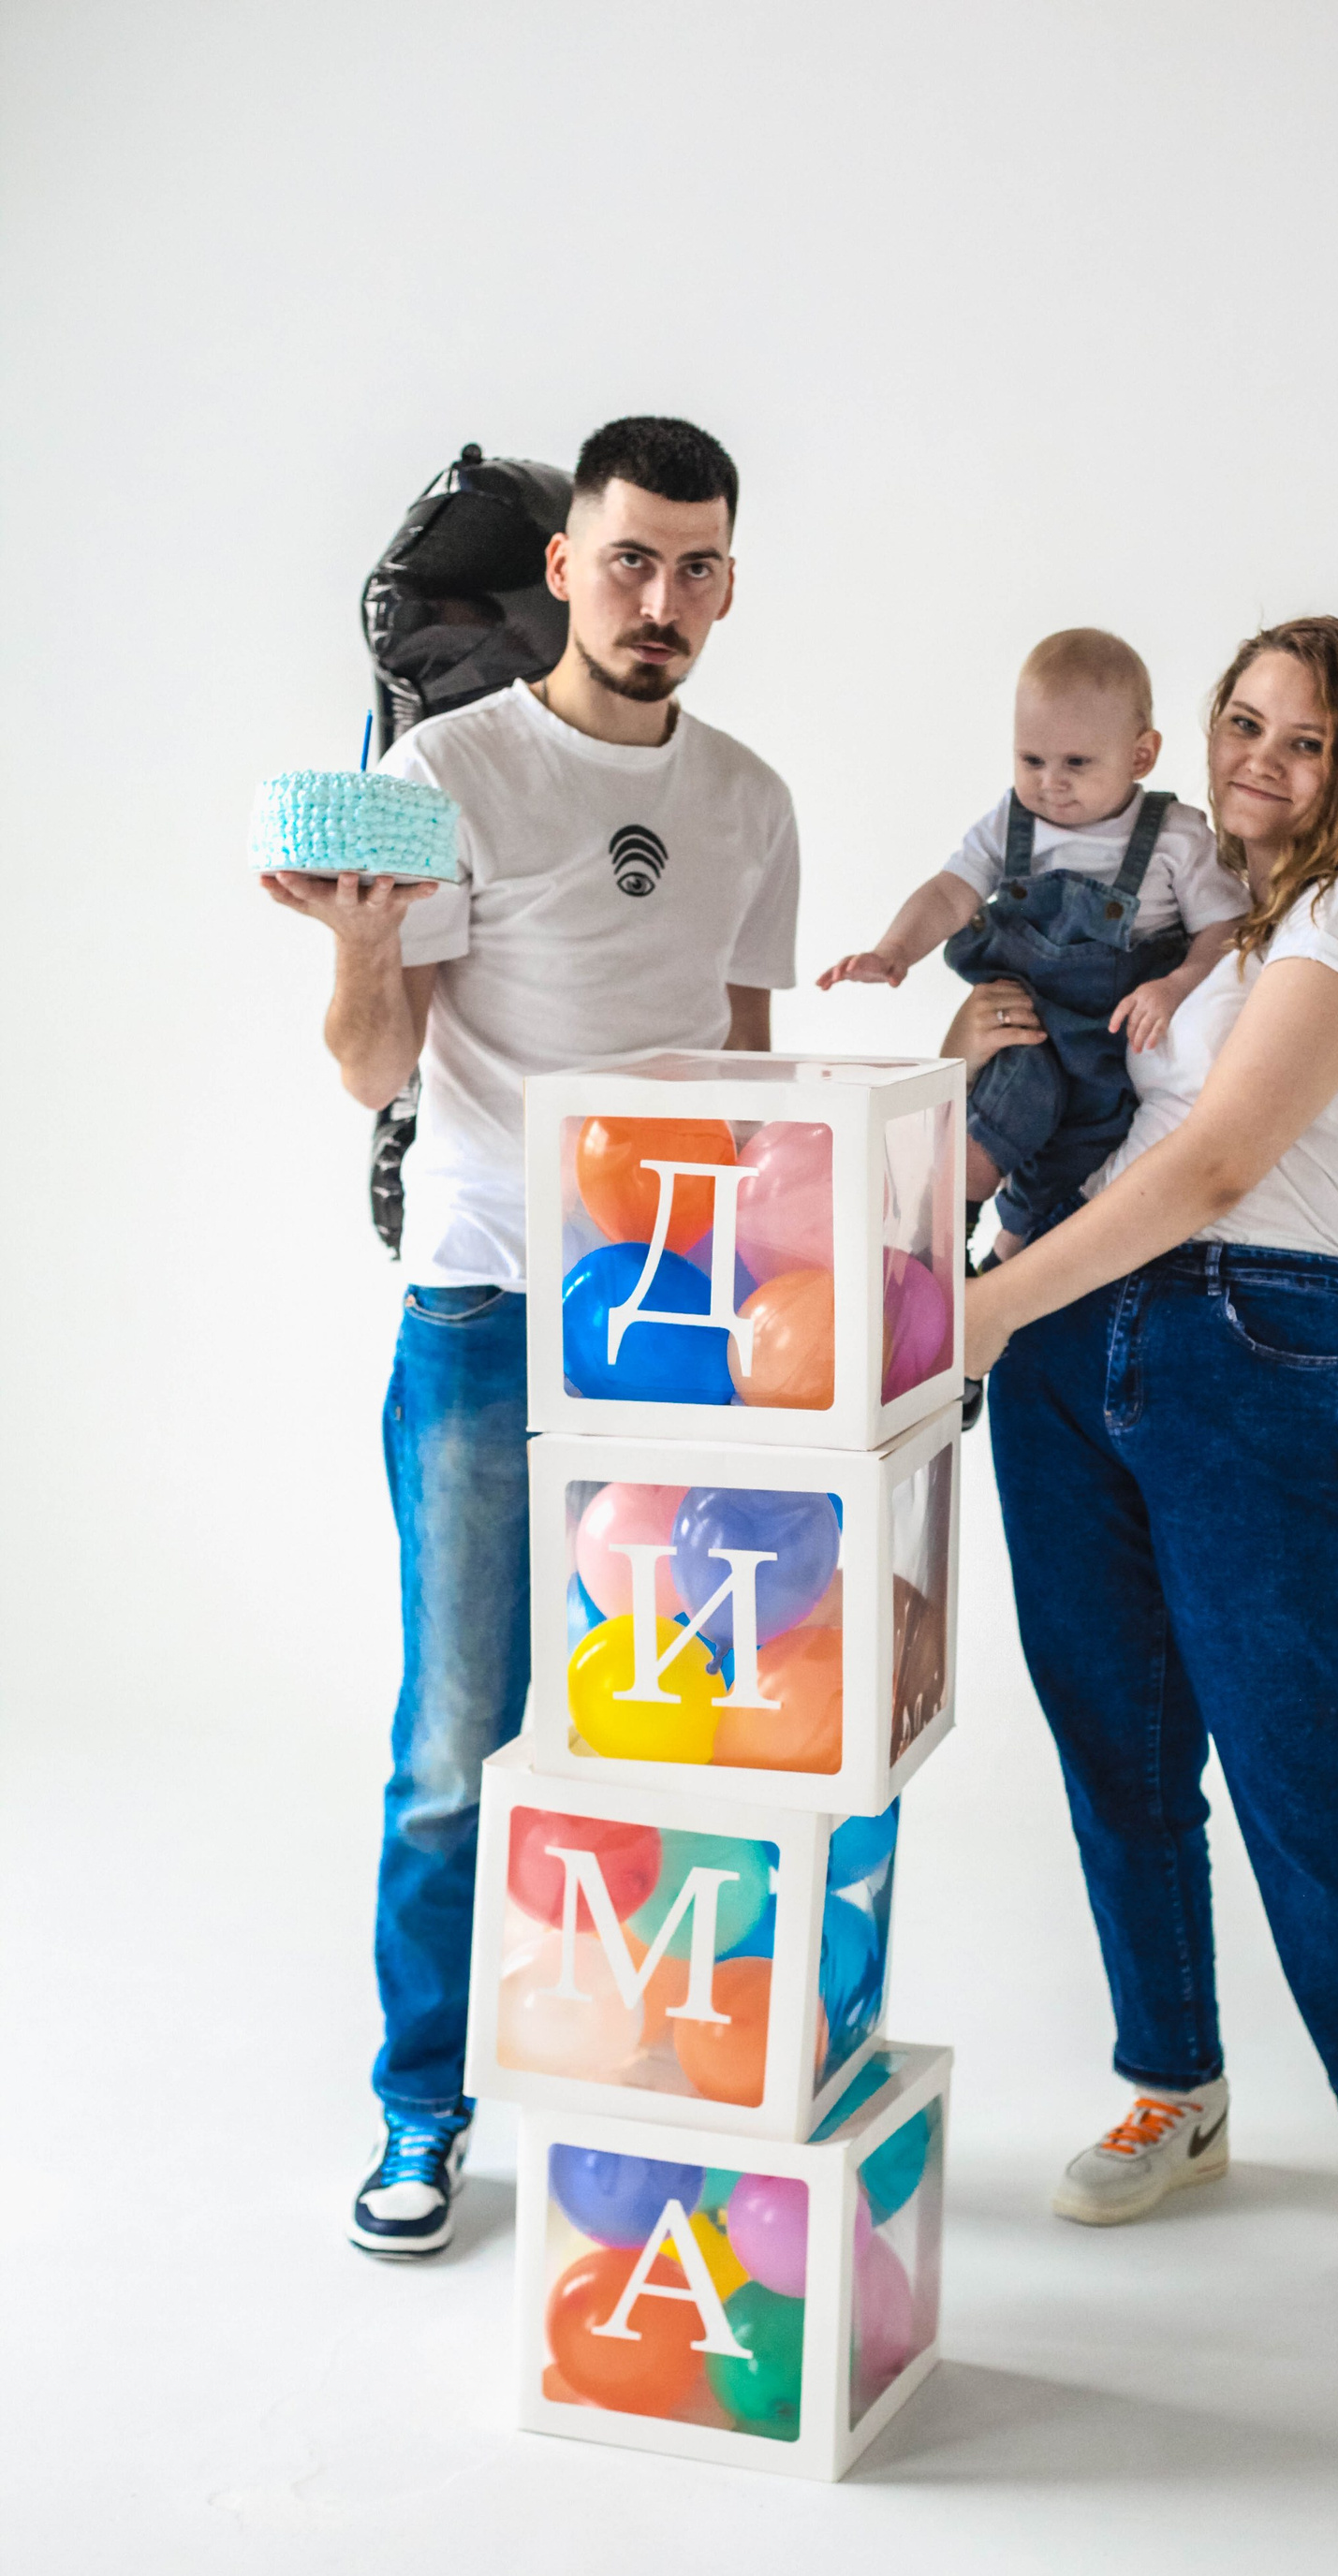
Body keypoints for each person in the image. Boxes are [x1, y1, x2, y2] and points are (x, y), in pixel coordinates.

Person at [261, 417, 799, 2257]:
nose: (661, 600)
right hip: (489, 1308)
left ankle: (644, 2082)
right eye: (630, 559)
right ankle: (424, 2109)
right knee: (458, 1741)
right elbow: (376, 1070)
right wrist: (359, 943)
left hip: (680, 1334)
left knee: (672, 1739)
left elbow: (747, 1078)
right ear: (565, 567)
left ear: (729, 587)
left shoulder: (751, 800)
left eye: (697, 569)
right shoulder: (450, 768)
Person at [956, 617, 1338, 2277]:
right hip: (1075, 1324)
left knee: (1296, 1751)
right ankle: (1171, 2089)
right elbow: (1092, 1105)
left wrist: (979, 1318)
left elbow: (1214, 1169)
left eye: (1305, 739)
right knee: (1117, 1746)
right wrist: (986, 1045)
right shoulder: (1201, 913)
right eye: (1244, 722)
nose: (1261, 758)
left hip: (1247, 1340)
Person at [818, 629, 1244, 1257]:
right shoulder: (1010, 825)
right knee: (992, 1127)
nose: (1050, 783)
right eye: (1032, 760)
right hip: (1028, 1029)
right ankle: (936, 1239)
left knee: (1068, 1176)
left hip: (1112, 1046)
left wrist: (1177, 983)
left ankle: (1004, 1257)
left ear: (1141, 755)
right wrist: (894, 949)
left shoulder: (1175, 837)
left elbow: (1225, 928)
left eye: (1077, 763)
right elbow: (950, 893)